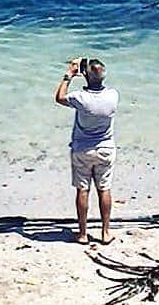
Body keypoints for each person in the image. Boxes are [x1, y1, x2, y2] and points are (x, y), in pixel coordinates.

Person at [54, 58, 118, 245]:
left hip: (82, 149)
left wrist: (69, 75)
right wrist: (87, 75)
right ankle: (105, 232)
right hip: (105, 148)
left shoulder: (80, 98)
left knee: (83, 190)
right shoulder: (113, 95)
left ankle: (83, 234)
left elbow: (59, 97)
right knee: (104, 189)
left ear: (86, 77)